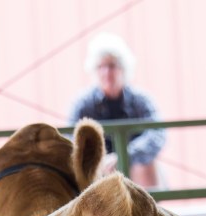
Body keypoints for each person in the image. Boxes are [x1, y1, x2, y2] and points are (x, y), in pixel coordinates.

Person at [68, 32, 165, 189]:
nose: (107, 72)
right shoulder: (83, 103)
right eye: (101, 67)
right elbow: (71, 138)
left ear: (123, 69)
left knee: (146, 164)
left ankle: (145, 202)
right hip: (98, 170)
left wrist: (125, 155)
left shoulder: (140, 101)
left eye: (112, 66)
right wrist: (98, 161)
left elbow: (157, 134)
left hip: (135, 169)